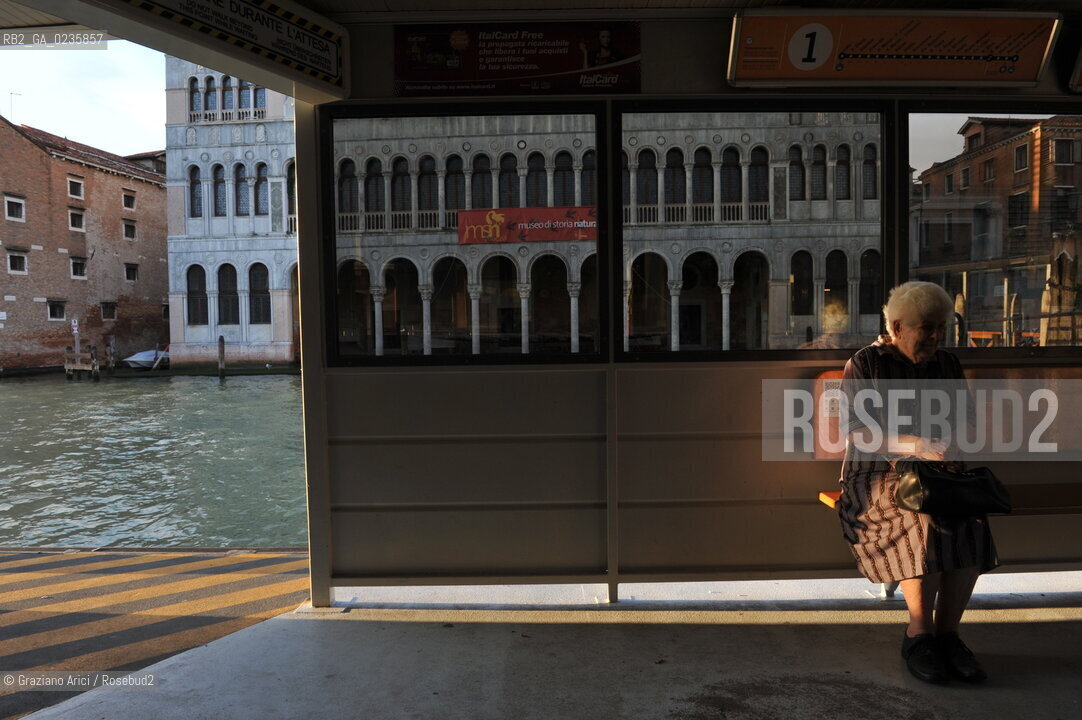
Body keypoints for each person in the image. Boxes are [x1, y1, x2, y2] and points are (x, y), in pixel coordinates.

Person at [836, 281, 998, 684]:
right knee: (922, 515)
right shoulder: (865, 364)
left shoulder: (947, 364)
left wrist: (948, 447)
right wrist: (914, 444)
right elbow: (856, 431)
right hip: (874, 475)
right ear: (896, 326)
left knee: (971, 516)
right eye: (925, 327)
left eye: (939, 328)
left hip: (936, 472)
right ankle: (919, 633)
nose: (933, 337)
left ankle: (949, 636)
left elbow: (967, 421)